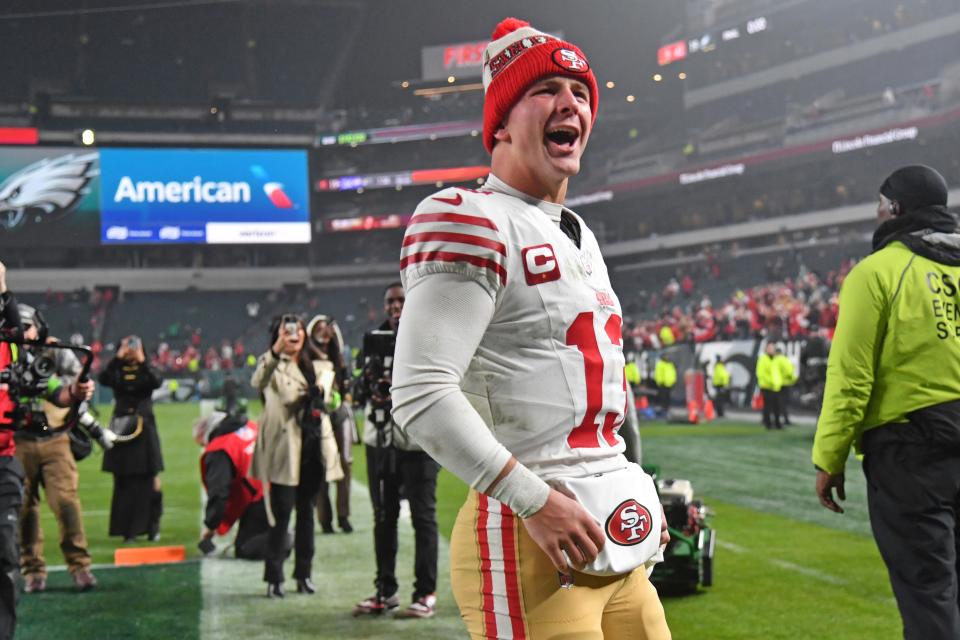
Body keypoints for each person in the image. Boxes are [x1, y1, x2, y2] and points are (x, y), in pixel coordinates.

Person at [392, 18, 670, 638]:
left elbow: (587, 396)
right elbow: (419, 394)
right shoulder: (468, 216)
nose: (570, 101)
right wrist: (535, 501)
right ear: (501, 121)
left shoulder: (578, 231)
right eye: (546, 88)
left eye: (580, 90)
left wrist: (632, 488)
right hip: (528, 539)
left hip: (612, 539)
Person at [814, 165, 960, 640]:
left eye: (879, 205)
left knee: (928, 591)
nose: (876, 215)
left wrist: (829, 457)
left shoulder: (875, 273)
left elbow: (850, 377)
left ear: (896, 209)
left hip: (909, 450)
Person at [0, 263, 93, 638]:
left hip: (13, 453)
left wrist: (73, 393)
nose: (22, 332)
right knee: (24, 518)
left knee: (6, 549)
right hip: (19, 445)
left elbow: (54, 387)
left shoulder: (20, 357)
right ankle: (34, 567)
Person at [352, 283, 441, 619]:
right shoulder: (373, 340)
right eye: (390, 301)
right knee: (384, 519)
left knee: (423, 518)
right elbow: (361, 392)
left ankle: (425, 593)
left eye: (400, 300)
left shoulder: (427, 336)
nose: (395, 307)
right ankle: (385, 591)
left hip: (419, 441)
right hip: (381, 440)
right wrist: (367, 384)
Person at [15, 311, 110, 593]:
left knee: (66, 503)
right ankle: (32, 571)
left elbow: (64, 390)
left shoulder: (54, 351)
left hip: (54, 437)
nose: (23, 333)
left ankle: (79, 565)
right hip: (16, 440)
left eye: (27, 327)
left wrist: (79, 391)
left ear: (38, 328)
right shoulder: (5, 354)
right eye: (16, 327)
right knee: (23, 510)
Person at [250, 315, 343, 598]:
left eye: (298, 330)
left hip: (313, 448)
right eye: (287, 330)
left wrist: (323, 395)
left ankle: (304, 574)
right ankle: (274, 576)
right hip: (285, 449)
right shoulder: (272, 363)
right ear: (277, 335)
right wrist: (277, 350)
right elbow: (258, 380)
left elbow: (332, 398)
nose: (294, 334)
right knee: (281, 516)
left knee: (306, 516)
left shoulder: (319, 365)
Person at [98, 335, 164, 542]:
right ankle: (127, 529)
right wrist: (118, 358)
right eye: (127, 346)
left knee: (149, 479)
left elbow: (156, 381)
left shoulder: (146, 369)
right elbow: (104, 378)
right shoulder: (117, 371)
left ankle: (152, 525)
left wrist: (142, 360)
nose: (131, 350)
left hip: (144, 427)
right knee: (123, 481)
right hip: (122, 428)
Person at [195, 389, 270, 560]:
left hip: (258, 499)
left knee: (246, 548)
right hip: (274, 487)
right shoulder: (250, 427)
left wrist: (210, 526)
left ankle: (280, 540)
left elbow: (219, 492)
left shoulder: (220, 449)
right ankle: (279, 532)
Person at [306, 314, 354, 534]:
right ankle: (325, 519)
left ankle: (344, 516)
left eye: (328, 329)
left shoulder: (336, 353)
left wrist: (337, 339)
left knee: (344, 462)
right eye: (320, 329)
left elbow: (344, 377)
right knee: (323, 466)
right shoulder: (306, 354)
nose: (325, 333)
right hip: (319, 414)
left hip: (339, 412)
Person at [755, 342, 783, 429]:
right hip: (766, 386)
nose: (771, 349)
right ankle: (768, 424)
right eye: (769, 348)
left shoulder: (776, 359)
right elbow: (760, 373)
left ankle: (778, 424)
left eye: (772, 348)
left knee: (777, 407)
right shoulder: (763, 359)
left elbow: (779, 372)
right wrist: (769, 382)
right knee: (768, 407)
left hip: (776, 387)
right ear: (766, 349)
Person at [773, 346, 796, 425]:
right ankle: (785, 419)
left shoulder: (776, 360)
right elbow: (790, 371)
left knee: (777, 403)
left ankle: (778, 419)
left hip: (779, 384)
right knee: (784, 403)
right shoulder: (785, 359)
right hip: (787, 383)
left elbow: (774, 372)